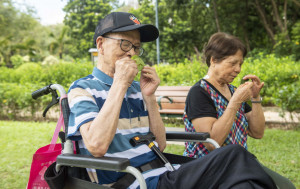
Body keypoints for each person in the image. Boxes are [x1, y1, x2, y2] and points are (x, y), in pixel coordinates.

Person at [67, 12, 276, 188]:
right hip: (134, 181)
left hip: (163, 173)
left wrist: (149, 97)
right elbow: (96, 146)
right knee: (234, 154)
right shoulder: (82, 89)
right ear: (101, 45)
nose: (131, 53)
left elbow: (160, 144)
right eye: (124, 44)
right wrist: (119, 84)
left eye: (136, 47)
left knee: (244, 185)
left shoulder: (137, 89)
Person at [183, 32, 295, 188]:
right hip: (208, 169)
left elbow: (257, 132)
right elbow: (212, 142)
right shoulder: (199, 92)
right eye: (233, 63)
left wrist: (255, 98)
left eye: (240, 64)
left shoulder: (233, 91)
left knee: (285, 185)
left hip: (237, 166)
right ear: (214, 60)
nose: (238, 69)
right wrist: (235, 102)